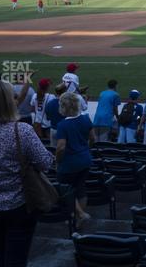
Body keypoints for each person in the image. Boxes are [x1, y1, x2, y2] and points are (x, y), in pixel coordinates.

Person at [0, 80, 54, 267]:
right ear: (10, 101)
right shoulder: (22, 131)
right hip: (18, 206)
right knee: (15, 260)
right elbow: (46, 163)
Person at [56, 92, 95, 229]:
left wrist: (58, 160)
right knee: (80, 188)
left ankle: (80, 214)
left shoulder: (63, 125)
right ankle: (79, 218)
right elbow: (93, 139)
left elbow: (61, 147)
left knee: (65, 189)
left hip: (70, 162)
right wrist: (85, 149)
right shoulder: (85, 119)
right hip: (85, 159)